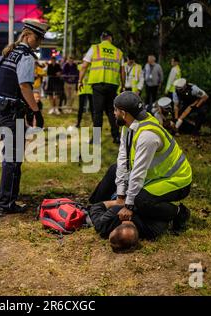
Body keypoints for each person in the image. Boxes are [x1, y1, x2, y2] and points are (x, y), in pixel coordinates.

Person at [91, 92, 192, 240]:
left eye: (115, 110)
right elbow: (123, 159)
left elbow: (139, 173)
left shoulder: (148, 137)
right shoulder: (129, 124)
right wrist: (120, 197)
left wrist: (129, 206)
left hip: (178, 181)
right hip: (157, 177)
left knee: (141, 201)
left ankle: (179, 213)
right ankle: (93, 207)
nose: (113, 113)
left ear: (124, 113)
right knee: (114, 169)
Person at [0, 20, 48, 217]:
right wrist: (36, 112)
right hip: (11, 111)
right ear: (28, 35)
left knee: (10, 155)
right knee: (13, 158)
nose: (39, 43)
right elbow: (25, 86)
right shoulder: (26, 57)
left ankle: (10, 197)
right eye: (38, 38)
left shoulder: (9, 52)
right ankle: (6, 203)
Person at [79, 30, 125, 144]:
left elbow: (84, 66)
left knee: (97, 112)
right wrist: (123, 85)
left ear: (102, 38)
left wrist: (80, 80)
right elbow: (122, 70)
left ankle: (96, 138)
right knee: (111, 111)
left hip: (98, 84)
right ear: (111, 38)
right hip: (112, 85)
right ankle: (116, 136)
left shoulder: (95, 48)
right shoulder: (118, 52)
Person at [75, 61, 93, 128]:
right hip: (82, 88)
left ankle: (94, 124)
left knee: (92, 108)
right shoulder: (80, 66)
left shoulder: (93, 66)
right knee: (81, 107)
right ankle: (78, 123)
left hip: (90, 88)